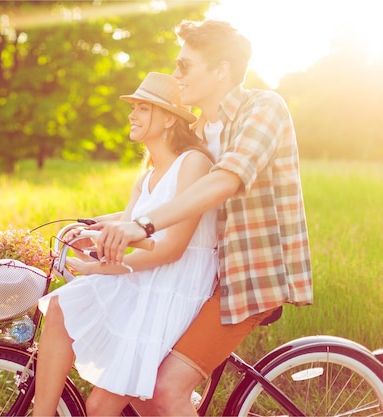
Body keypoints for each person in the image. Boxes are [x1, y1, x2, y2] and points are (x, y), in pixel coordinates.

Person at [91, 19, 314, 416]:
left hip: (245, 279)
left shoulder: (262, 109)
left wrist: (141, 227)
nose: (176, 76)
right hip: (200, 276)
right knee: (140, 377)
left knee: (164, 390)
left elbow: (224, 182)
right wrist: (100, 224)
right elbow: (170, 200)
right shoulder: (199, 130)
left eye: (184, 66)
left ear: (221, 70)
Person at [32, 72, 218, 417]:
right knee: (60, 307)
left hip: (176, 285)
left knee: (101, 407)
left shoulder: (194, 163)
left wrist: (96, 267)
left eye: (143, 108)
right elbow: (129, 229)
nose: (132, 114)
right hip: (148, 280)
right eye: (133, 106)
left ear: (168, 118)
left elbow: (172, 249)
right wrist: (88, 231)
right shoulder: (147, 175)